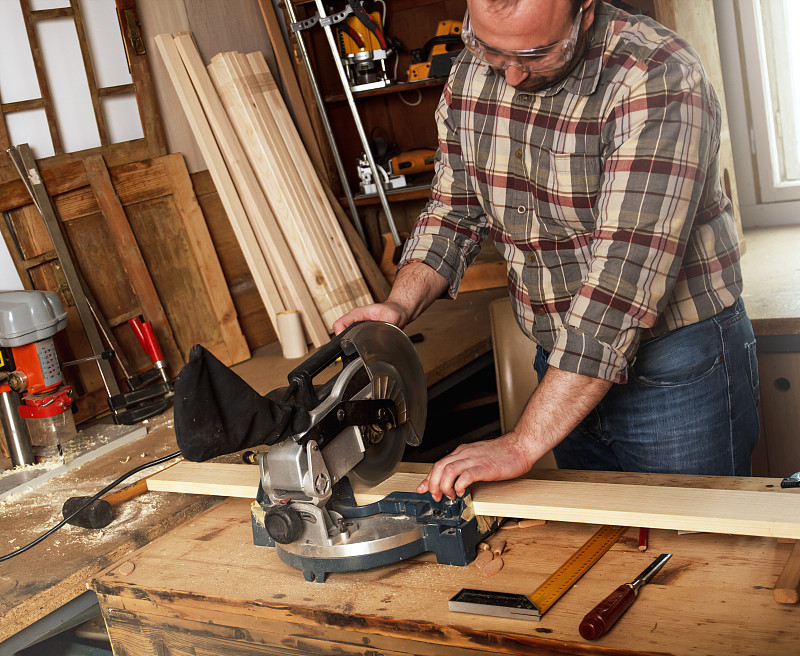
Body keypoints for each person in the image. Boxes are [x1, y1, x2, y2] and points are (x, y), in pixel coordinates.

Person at [333, 0, 760, 501]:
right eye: (490, 48)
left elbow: (619, 290)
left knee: (698, 550)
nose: (510, 76)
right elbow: (454, 208)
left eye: (536, 54)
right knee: (597, 545)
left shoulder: (658, 77)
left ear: (583, 13)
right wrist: (400, 303)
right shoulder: (474, 71)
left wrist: (522, 443)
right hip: (559, 360)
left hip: (671, 368)